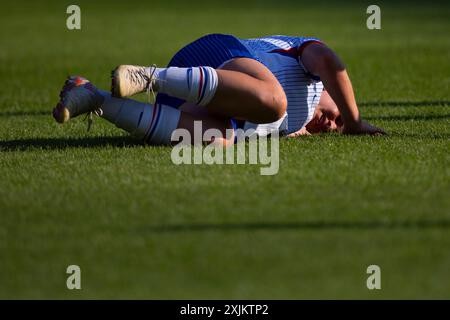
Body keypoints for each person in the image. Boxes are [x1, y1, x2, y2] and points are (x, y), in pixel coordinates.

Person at [52, 33, 385, 145]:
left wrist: (293, 129)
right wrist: (354, 123)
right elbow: (328, 60)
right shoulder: (306, 60)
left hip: (201, 96)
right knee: (273, 102)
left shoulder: (295, 122)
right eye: (337, 115)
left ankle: (95, 99)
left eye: (336, 128)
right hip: (213, 55)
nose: (332, 124)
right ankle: (149, 76)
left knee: (219, 141)